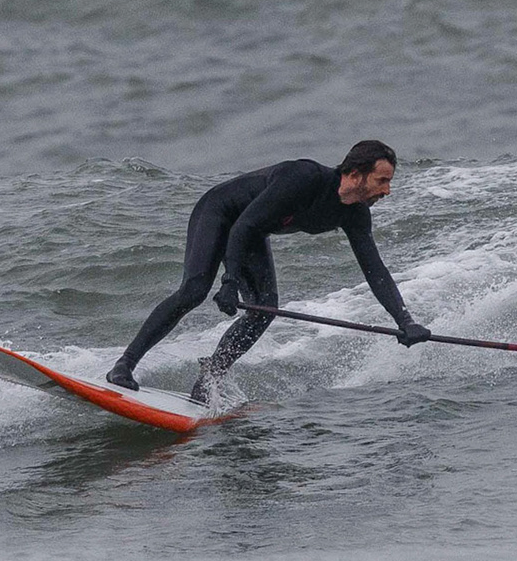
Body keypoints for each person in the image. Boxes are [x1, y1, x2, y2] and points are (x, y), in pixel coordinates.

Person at [105, 139, 430, 401]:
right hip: (220, 212)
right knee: (194, 291)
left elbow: (376, 272)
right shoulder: (304, 178)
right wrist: (230, 281)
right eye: (382, 180)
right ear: (356, 174)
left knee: (264, 309)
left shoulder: (355, 215)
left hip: (250, 231)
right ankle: (124, 366)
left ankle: (209, 378)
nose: (387, 190)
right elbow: (243, 225)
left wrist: (405, 322)